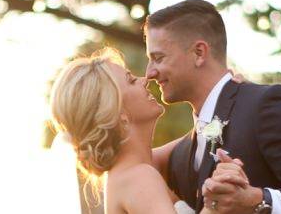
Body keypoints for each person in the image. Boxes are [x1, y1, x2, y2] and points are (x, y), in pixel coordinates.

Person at [146, 0, 281, 213]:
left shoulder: (265, 104)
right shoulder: (180, 154)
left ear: (199, 53)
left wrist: (257, 200)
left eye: (158, 58)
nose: (149, 73)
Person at [50, 48, 246, 213]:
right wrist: (215, 203)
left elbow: (199, 135)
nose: (144, 80)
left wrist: (222, 97)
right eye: (131, 80)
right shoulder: (139, 177)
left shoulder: (136, 167)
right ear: (118, 114)